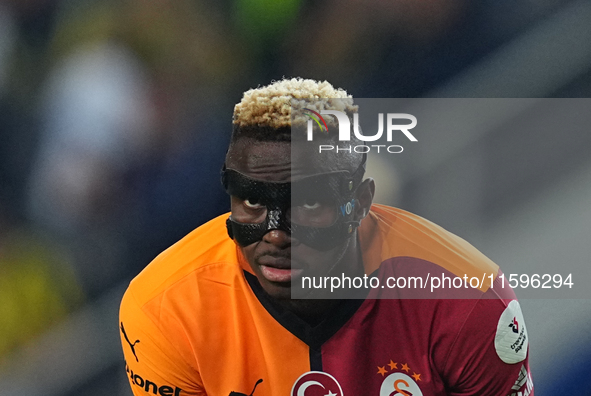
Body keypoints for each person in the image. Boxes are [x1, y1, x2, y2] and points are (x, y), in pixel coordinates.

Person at [119, 78, 533, 396]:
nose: (276, 233)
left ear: (362, 201)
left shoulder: (467, 300)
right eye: (252, 201)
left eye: (308, 204)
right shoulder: (164, 308)